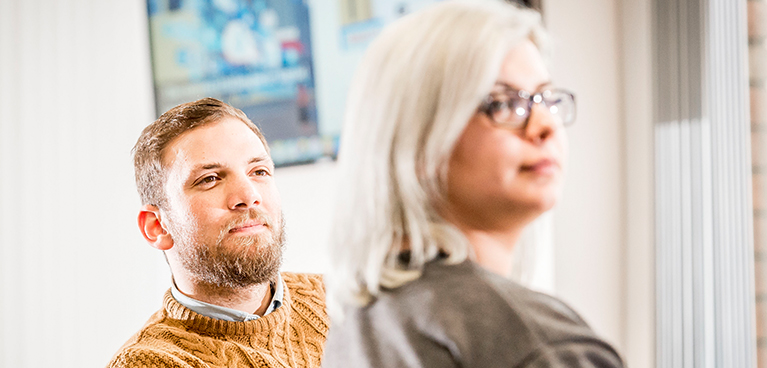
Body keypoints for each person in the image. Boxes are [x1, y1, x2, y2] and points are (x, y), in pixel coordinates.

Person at [322, 1, 625, 367]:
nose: (544, 125)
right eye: (504, 103)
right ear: (417, 139)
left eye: (546, 98)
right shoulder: (535, 345)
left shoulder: (359, 322)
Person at [108, 98, 328, 367]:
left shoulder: (340, 297)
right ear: (156, 226)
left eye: (258, 171)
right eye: (210, 179)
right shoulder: (148, 363)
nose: (249, 195)